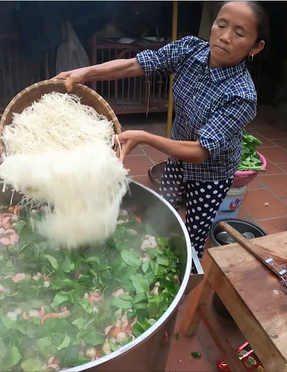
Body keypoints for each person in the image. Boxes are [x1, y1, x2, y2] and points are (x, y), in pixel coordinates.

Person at [55, 1, 269, 261]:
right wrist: (85, 72)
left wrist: (143, 137)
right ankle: (152, 255)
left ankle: (185, 273)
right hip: (177, 156)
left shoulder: (242, 95)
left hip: (211, 173)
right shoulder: (190, 50)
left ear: (255, 47)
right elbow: (137, 65)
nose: (224, 36)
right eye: (221, 25)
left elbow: (202, 151)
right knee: (163, 209)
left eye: (239, 33)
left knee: (194, 232)